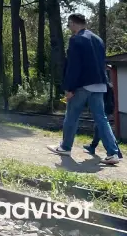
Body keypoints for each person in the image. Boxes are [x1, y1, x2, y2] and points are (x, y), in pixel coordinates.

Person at [47, 13, 120, 165]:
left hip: (82, 85)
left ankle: (65, 147)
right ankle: (113, 153)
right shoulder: (98, 39)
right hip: (100, 84)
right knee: (101, 118)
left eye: (69, 25)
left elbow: (74, 66)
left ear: (73, 23)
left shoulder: (76, 40)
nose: (69, 28)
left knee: (72, 115)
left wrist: (69, 88)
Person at [84, 64, 123, 158]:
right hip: (107, 108)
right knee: (99, 128)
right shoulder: (108, 85)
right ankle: (93, 147)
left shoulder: (102, 86)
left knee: (103, 129)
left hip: (103, 109)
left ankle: (115, 152)